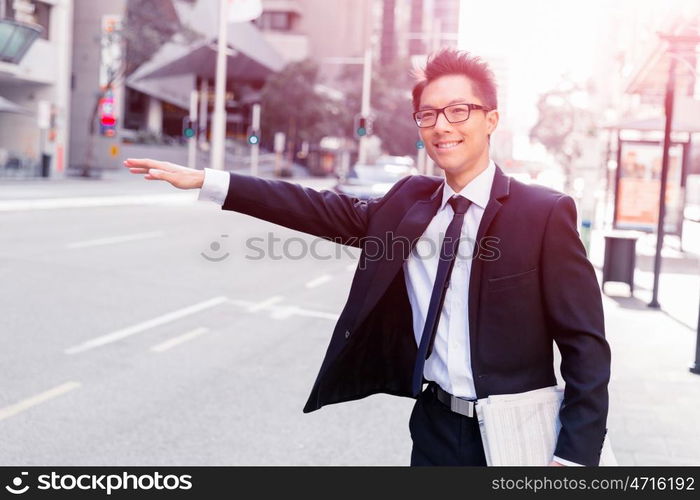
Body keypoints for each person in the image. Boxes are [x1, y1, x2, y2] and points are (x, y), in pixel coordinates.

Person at [124, 48, 610, 467]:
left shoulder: (544, 213)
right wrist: (211, 182)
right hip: (436, 429)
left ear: (491, 119)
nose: (442, 126)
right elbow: (316, 208)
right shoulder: (409, 204)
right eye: (428, 114)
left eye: (459, 110)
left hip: (518, 434)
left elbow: (585, 345)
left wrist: (573, 456)